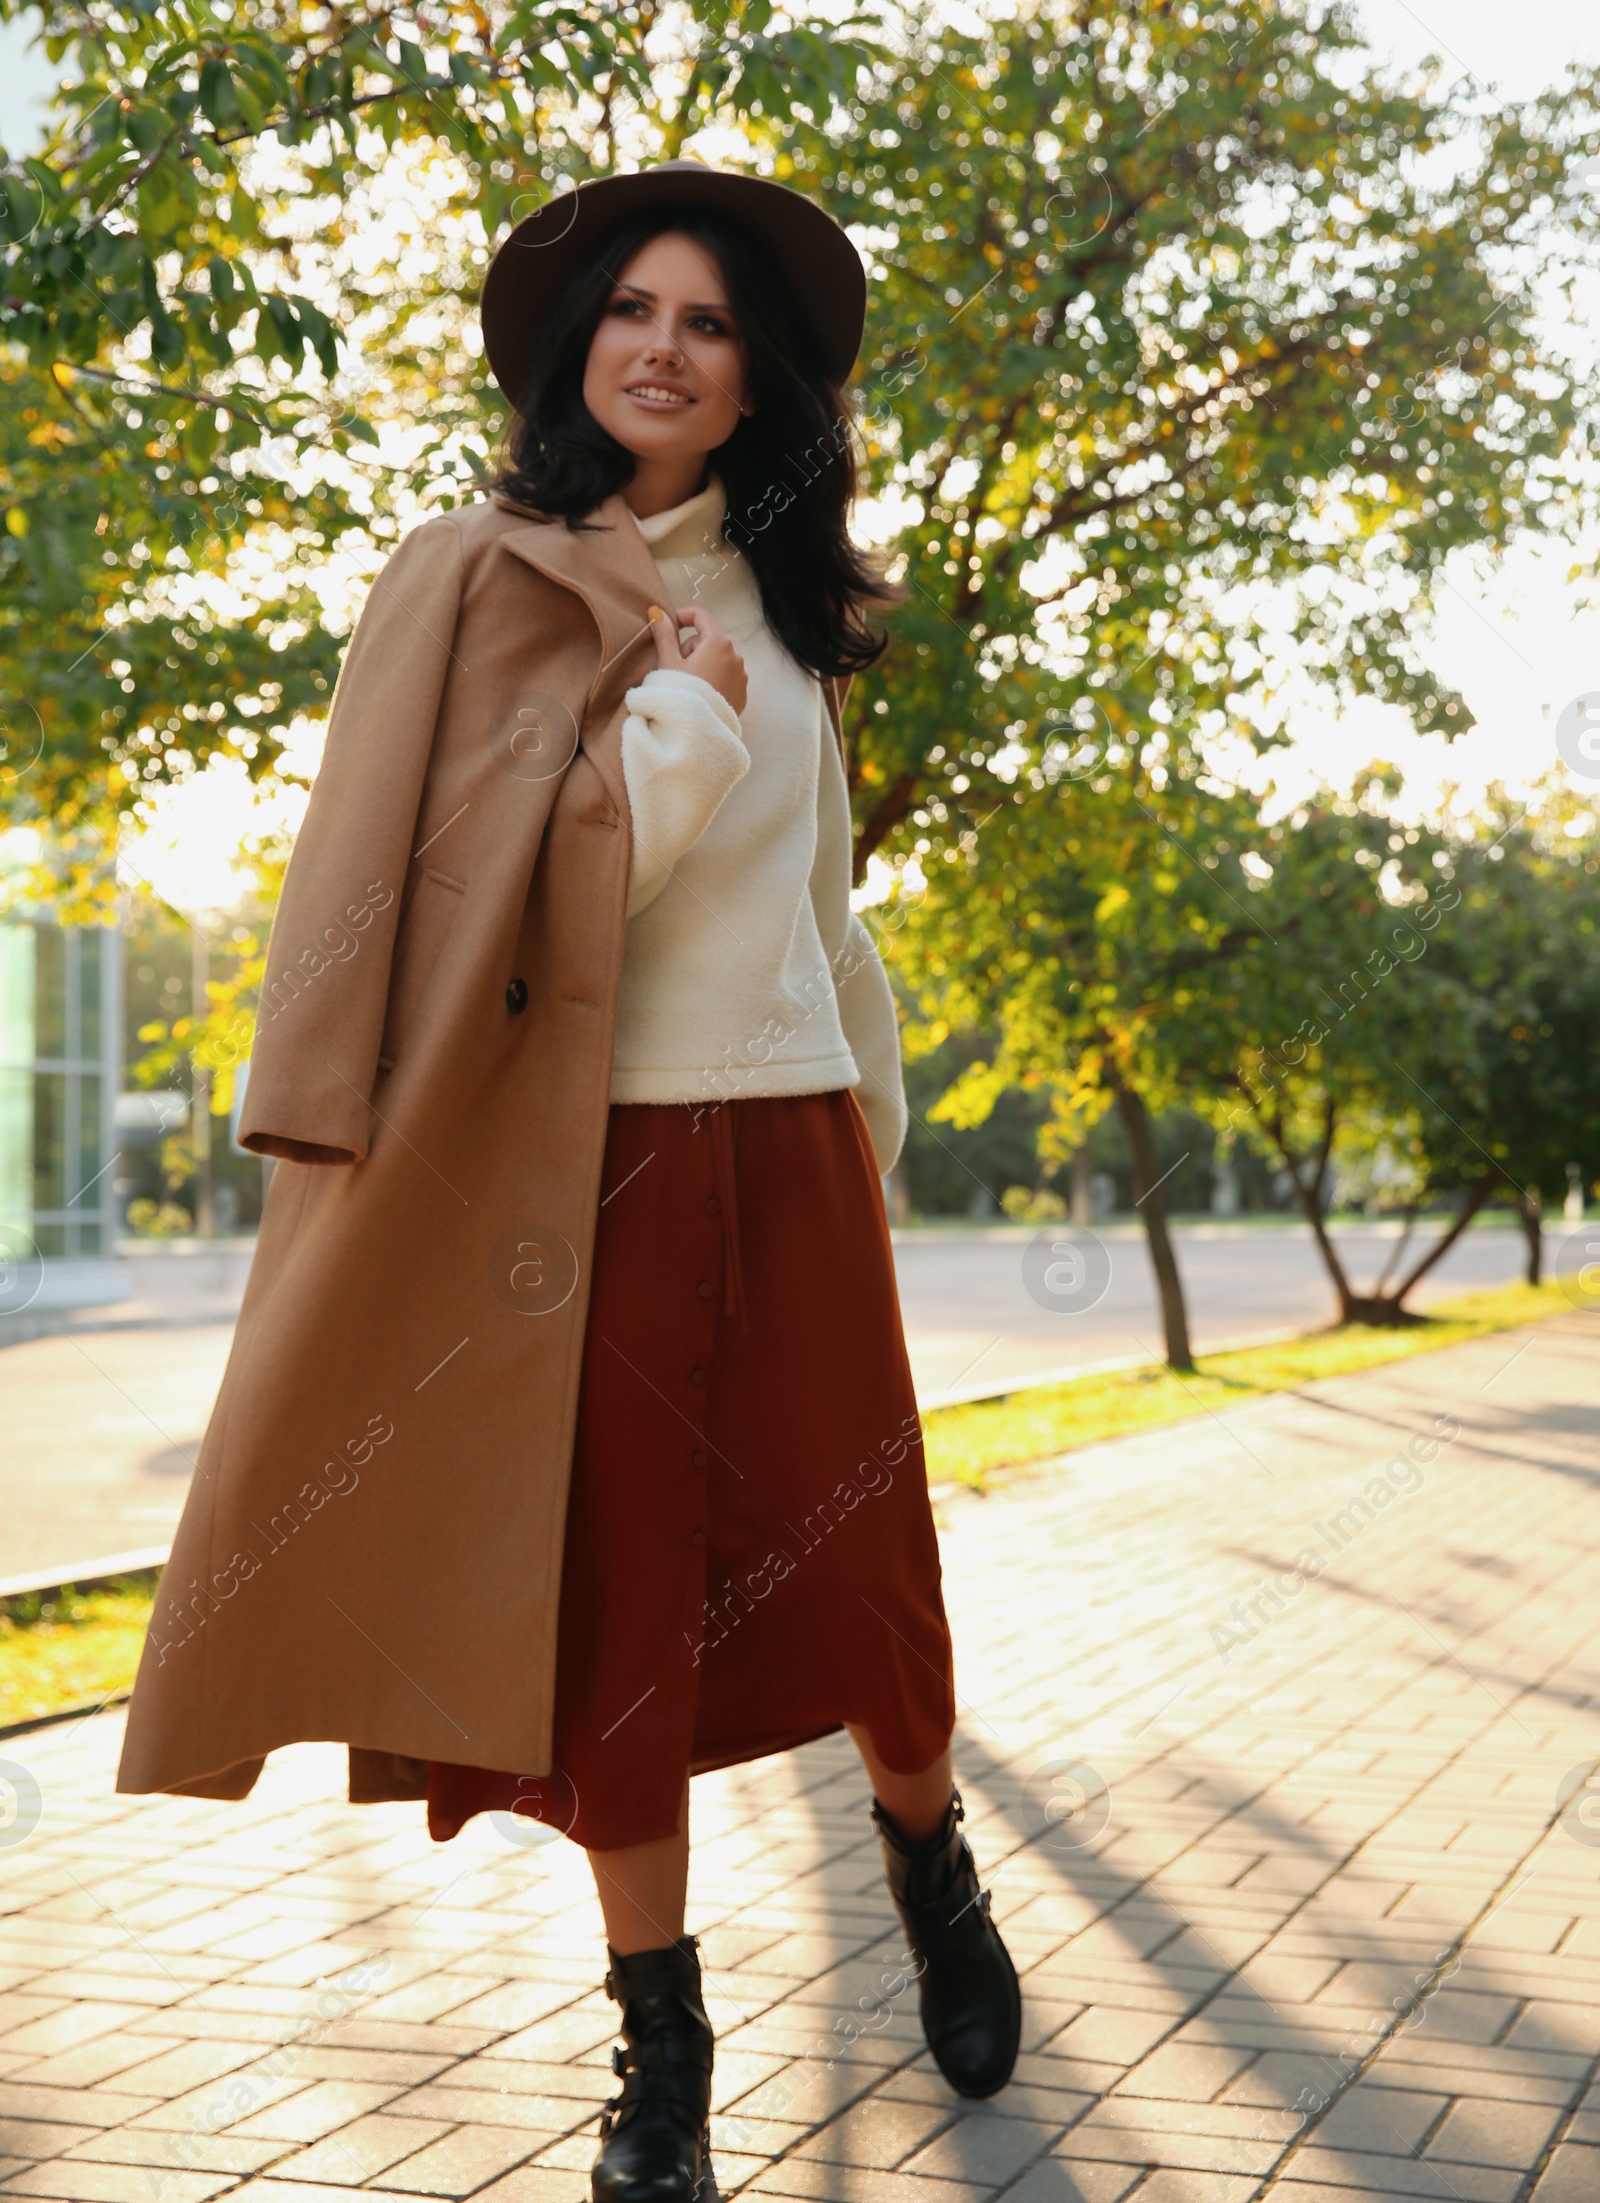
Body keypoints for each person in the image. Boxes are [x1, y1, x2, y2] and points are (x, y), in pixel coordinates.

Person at [115, 162, 1019, 2203]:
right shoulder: (487, 578)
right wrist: (673, 733)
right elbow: (470, 904)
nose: (664, 347)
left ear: (753, 375)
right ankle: (662, 2059)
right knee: (616, 1626)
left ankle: (927, 1853)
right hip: (577, 1179)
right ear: (572, 348)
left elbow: (828, 923)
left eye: (706, 323)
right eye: (632, 310)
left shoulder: (791, 624)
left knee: (870, 1588)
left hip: (786, 1154)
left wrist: (854, 1145)